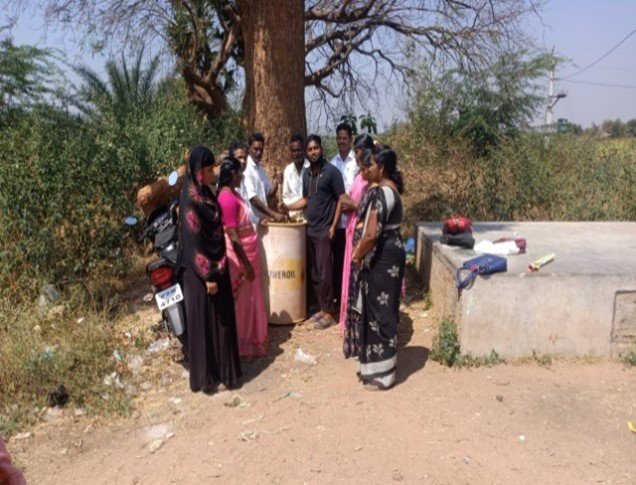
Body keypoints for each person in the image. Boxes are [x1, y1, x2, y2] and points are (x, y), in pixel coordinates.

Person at [178, 145, 242, 393]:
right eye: (208, 168)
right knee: (206, 325)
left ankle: (224, 373)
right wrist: (208, 276)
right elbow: (194, 243)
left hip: (219, 268)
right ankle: (208, 379)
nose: (213, 171)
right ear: (197, 170)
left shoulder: (206, 193)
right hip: (201, 275)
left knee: (221, 323)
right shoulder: (191, 201)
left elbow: (215, 231)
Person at [350, 146, 405, 390]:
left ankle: (382, 375)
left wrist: (357, 254)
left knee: (380, 312)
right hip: (390, 255)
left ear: (381, 168)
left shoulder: (383, 193)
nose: (366, 170)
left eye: (370, 166)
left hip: (383, 259)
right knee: (384, 310)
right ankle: (379, 368)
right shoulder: (391, 191)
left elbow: (371, 234)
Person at [283, 135, 345, 329]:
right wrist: (288, 207)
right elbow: (306, 200)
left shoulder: (332, 173)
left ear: (321, 149)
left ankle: (330, 313)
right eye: (310, 149)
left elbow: (341, 200)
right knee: (315, 273)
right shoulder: (307, 175)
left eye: (316, 148)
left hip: (325, 231)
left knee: (326, 274)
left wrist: (333, 226)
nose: (313, 152)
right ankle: (322, 307)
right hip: (310, 230)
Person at [217, 157, 268, 358]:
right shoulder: (227, 198)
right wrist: (245, 264)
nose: (242, 176)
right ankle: (242, 346)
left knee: (251, 300)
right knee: (242, 306)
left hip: (249, 253)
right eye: (239, 172)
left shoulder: (234, 194)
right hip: (239, 258)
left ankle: (252, 342)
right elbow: (232, 234)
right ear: (231, 175)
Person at [330, 133, 375, 336]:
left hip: (363, 231)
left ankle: (362, 323)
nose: (355, 155)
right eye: (355, 151)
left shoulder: (372, 179)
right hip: (351, 229)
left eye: (357, 151)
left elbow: (372, 206)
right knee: (350, 275)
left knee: (360, 279)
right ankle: (350, 321)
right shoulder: (359, 176)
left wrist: (355, 205)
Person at [330, 123, 356, 306]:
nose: (341, 141)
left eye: (345, 138)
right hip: (339, 221)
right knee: (339, 260)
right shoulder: (333, 163)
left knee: (354, 259)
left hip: (354, 218)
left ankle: (353, 297)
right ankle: (341, 298)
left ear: (351, 139)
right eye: (339, 138)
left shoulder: (357, 162)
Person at [242, 132, 286, 225]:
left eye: (261, 150)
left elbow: (269, 193)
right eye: (256, 149)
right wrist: (273, 214)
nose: (259, 153)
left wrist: (277, 183)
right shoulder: (246, 168)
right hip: (253, 222)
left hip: (263, 221)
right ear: (249, 148)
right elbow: (253, 199)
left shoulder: (260, 168)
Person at [282, 134, 310, 221]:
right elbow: (286, 196)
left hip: (309, 219)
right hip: (293, 219)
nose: (296, 154)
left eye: (298, 150)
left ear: (304, 150)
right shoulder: (288, 170)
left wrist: (289, 207)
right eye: (293, 151)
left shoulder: (311, 168)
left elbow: (310, 198)